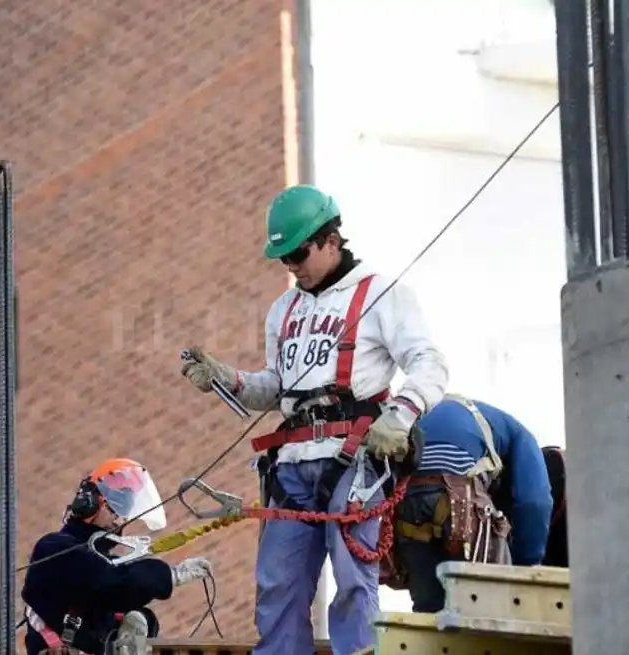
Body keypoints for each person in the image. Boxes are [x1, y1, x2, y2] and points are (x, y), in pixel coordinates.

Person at [181, 184, 449, 655]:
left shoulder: (381, 294)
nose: (291, 266)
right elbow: (279, 387)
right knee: (278, 586)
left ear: (330, 239)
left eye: (298, 253)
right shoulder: (284, 310)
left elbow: (429, 363)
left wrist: (400, 416)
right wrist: (229, 379)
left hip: (353, 460)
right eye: (283, 258)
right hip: (291, 465)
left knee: (352, 582)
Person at [20, 458, 213, 655]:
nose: (120, 519)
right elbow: (110, 585)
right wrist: (169, 575)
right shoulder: (55, 548)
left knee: (139, 616)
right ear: (90, 503)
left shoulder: (100, 561)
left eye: (125, 512)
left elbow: (107, 608)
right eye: (116, 507)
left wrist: (142, 621)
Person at [384, 395, 554, 613]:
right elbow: (534, 502)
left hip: (408, 501)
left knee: (429, 611)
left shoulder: (426, 415)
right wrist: (527, 563)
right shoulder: (521, 435)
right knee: (492, 605)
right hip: (461, 498)